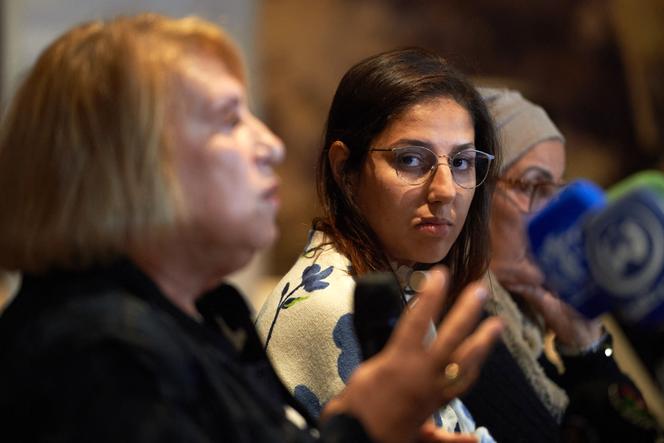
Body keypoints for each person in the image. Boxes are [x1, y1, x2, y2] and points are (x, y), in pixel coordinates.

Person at [0, 14, 503, 443]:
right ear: (127, 163)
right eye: (228, 120)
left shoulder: (205, 317)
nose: (271, 145)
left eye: (462, 162)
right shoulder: (100, 354)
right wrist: (364, 431)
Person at [256, 48, 501, 440]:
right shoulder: (335, 305)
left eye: (461, 162)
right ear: (345, 170)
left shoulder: (390, 282)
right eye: (410, 160)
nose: (444, 191)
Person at [458, 87, 661, 442]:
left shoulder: (528, 324)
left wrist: (584, 345)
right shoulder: (463, 327)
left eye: (557, 194)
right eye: (533, 186)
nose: (549, 214)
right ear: (474, 193)